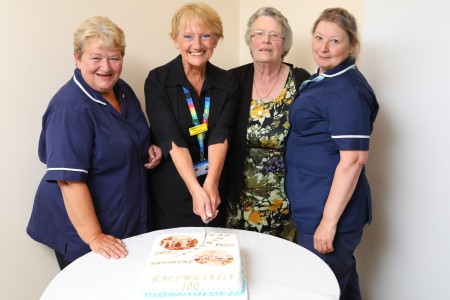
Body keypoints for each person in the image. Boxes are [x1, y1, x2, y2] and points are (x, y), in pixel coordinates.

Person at [26, 16, 162, 270]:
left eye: (114, 57)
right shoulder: (69, 109)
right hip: (83, 232)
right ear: (77, 58)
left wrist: (146, 146)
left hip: (124, 218)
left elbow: (126, 134)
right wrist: (94, 237)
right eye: (96, 58)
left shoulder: (122, 90)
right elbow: (69, 181)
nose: (106, 67)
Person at [285, 8, 379, 299]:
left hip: (328, 214)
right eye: (319, 37)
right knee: (342, 288)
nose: (323, 48)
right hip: (314, 203)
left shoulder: (347, 90)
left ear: (352, 45)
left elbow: (353, 160)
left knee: (320, 290)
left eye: (335, 41)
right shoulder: (325, 78)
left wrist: (327, 223)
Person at [144, 3, 238, 230]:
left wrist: (211, 186)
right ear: (176, 40)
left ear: (216, 40)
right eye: (188, 36)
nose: (197, 45)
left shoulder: (227, 83)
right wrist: (195, 189)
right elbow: (171, 139)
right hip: (173, 189)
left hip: (214, 183)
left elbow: (220, 134)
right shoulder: (158, 81)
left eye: (206, 35)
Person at [225, 7, 310, 241]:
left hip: (284, 198)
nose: (265, 40)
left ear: (284, 45)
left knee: (278, 265)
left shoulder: (303, 82)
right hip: (237, 196)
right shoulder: (231, 80)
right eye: (259, 33)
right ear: (250, 42)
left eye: (274, 35)